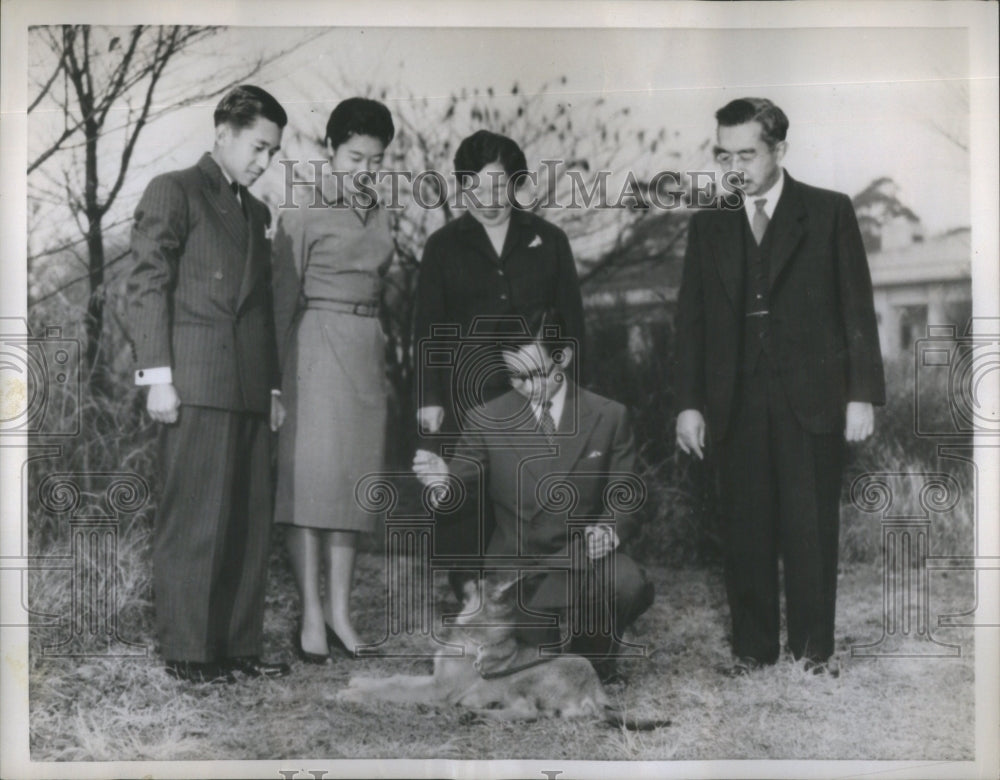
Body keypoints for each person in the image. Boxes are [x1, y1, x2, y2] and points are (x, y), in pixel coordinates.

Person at [673, 97, 885, 677]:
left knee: (810, 526)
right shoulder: (708, 224)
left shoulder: (829, 211)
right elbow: (691, 321)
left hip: (812, 399)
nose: (733, 167)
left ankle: (813, 654)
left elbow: (857, 309)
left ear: (780, 150)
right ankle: (753, 651)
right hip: (734, 401)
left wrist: (860, 394)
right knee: (745, 528)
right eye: (723, 156)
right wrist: (688, 404)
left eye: (746, 154)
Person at [125, 85, 290, 684]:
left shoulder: (258, 213)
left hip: (248, 387)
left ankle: (237, 646)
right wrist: (157, 376)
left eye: (272, 152)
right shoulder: (175, 190)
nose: (264, 161)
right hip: (194, 381)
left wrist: (273, 389)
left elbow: (262, 310)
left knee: (247, 523)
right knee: (196, 521)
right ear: (223, 132)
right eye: (257, 146)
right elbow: (147, 283)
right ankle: (189, 652)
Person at [413, 310, 653, 683]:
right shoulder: (486, 417)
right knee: (527, 675)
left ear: (564, 358)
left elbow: (626, 495)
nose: (525, 386)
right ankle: (545, 648)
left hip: (580, 559)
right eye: (514, 376)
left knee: (625, 582)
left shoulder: (609, 416)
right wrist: (442, 485)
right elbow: (460, 490)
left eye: (535, 374)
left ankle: (593, 655)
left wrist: (609, 529)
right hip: (516, 572)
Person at [413, 130, 586, 596]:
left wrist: (572, 393)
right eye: (475, 187)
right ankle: (469, 595)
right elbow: (427, 329)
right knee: (467, 493)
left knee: (532, 489)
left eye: (498, 186)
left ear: (516, 183)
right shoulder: (443, 245)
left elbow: (573, 324)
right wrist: (428, 398)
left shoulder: (549, 240)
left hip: (535, 389)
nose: (488, 200)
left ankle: (531, 592)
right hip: (466, 393)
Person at [271, 98, 396, 661]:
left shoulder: (383, 213)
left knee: (352, 485)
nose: (365, 171)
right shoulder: (301, 210)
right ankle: (311, 617)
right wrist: (274, 384)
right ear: (330, 151)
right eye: (354, 158)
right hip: (314, 351)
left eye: (376, 161)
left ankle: (341, 613)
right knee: (310, 486)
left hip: (366, 351)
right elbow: (280, 301)